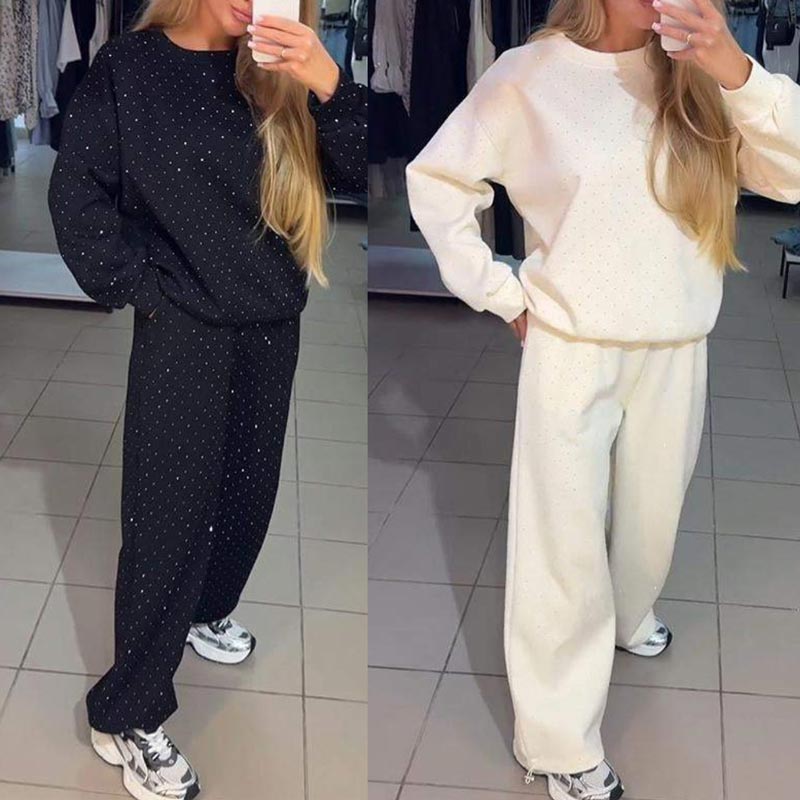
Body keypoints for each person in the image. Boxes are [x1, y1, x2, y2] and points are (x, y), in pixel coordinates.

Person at [405, 1, 800, 798]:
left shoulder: (704, 71)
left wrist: (734, 67)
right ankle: (557, 742)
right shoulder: (530, 75)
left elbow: (790, 176)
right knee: (562, 543)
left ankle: (626, 614)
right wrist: (499, 292)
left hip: (678, 343)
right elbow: (436, 180)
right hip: (572, 345)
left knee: (653, 519)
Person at [47, 0, 366, 797]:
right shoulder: (130, 68)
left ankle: (205, 609)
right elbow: (77, 192)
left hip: (272, 320)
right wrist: (140, 288)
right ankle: (126, 712)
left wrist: (327, 81)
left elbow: (361, 171)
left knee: (248, 494)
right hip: (183, 326)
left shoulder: (286, 69)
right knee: (167, 519)